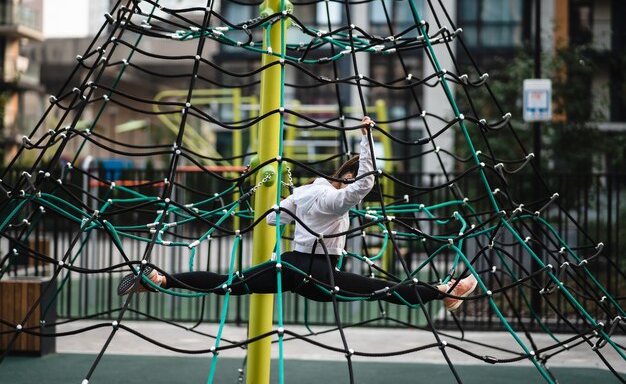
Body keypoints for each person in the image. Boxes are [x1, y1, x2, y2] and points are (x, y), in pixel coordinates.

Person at [118, 117, 477, 312]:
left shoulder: (307, 191)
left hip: (290, 265)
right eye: (348, 180)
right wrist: (366, 136)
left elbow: (275, 219)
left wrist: (290, 203)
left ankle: (160, 279)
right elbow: (365, 184)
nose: (350, 189)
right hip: (318, 272)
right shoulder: (332, 199)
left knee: (232, 284)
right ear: (344, 178)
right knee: (379, 289)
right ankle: (445, 291)